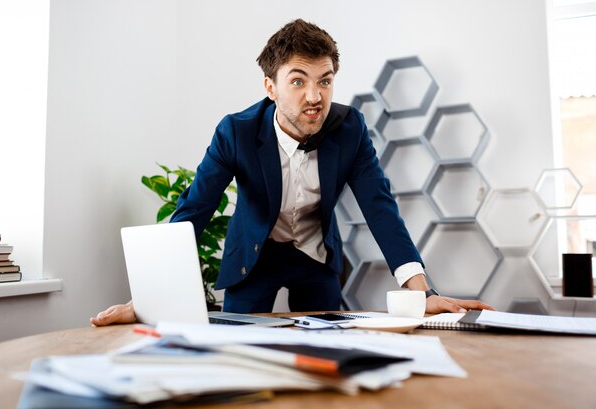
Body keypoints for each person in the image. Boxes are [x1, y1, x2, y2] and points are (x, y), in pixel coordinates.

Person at [91, 19, 493, 327]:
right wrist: (151, 297)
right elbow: (195, 208)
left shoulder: (350, 128)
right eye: (298, 81)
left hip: (315, 258)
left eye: (325, 81)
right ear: (271, 87)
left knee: (324, 350)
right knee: (239, 349)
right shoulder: (235, 132)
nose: (314, 96)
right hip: (254, 258)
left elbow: (379, 207)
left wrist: (420, 292)